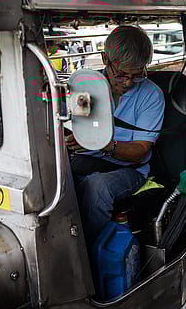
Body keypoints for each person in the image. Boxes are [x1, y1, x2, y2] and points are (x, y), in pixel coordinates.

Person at [66, 26, 165, 247]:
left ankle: (87, 255)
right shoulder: (86, 87)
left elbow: (140, 151)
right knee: (56, 177)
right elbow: (77, 123)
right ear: (105, 59)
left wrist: (105, 145)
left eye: (137, 75)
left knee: (96, 187)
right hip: (87, 159)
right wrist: (75, 138)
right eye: (121, 75)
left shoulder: (151, 95)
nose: (128, 82)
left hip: (130, 170)